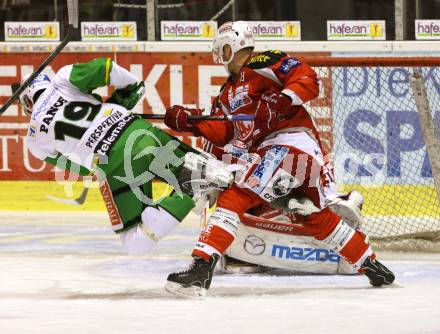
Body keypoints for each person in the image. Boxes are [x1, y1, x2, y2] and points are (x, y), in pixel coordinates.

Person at [163, 21, 395, 298]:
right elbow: (225, 131)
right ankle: (372, 266)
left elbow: (308, 78)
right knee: (313, 216)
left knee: (236, 196)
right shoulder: (226, 93)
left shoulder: (263, 61)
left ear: (232, 45)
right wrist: (192, 122)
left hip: (291, 145)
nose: (220, 57)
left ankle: (200, 269)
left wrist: (282, 100)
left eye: (222, 49)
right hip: (283, 159)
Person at [20, 58, 226, 256]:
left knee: (135, 242)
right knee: (216, 176)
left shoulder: (34, 141)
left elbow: (82, 169)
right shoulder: (62, 78)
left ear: (27, 101)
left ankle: (190, 190)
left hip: (116, 166)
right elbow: (106, 67)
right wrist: (129, 91)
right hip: (140, 133)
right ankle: (205, 177)